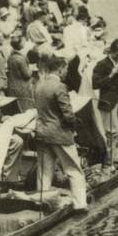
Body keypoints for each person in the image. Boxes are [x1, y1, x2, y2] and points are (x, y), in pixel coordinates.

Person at [34, 55, 87, 211]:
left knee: (44, 171)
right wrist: (76, 123)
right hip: (60, 134)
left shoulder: (39, 85)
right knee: (73, 170)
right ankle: (80, 204)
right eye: (66, 69)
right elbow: (68, 114)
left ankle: (41, 203)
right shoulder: (60, 87)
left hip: (43, 132)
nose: (67, 72)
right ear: (59, 69)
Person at [93, 39, 118, 165]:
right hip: (108, 102)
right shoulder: (101, 64)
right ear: (111, 52)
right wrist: (111, 74)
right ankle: (108, 160)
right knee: (111, 133)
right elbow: (95, 84)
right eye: (117, 54)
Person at [6, 36, 35, 111]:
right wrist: (31, 69)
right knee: (26, 108)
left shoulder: (10, 57)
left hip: (12, 85)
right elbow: (27, 75)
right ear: (20, 44)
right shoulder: (20, 58)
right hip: (22, 87)